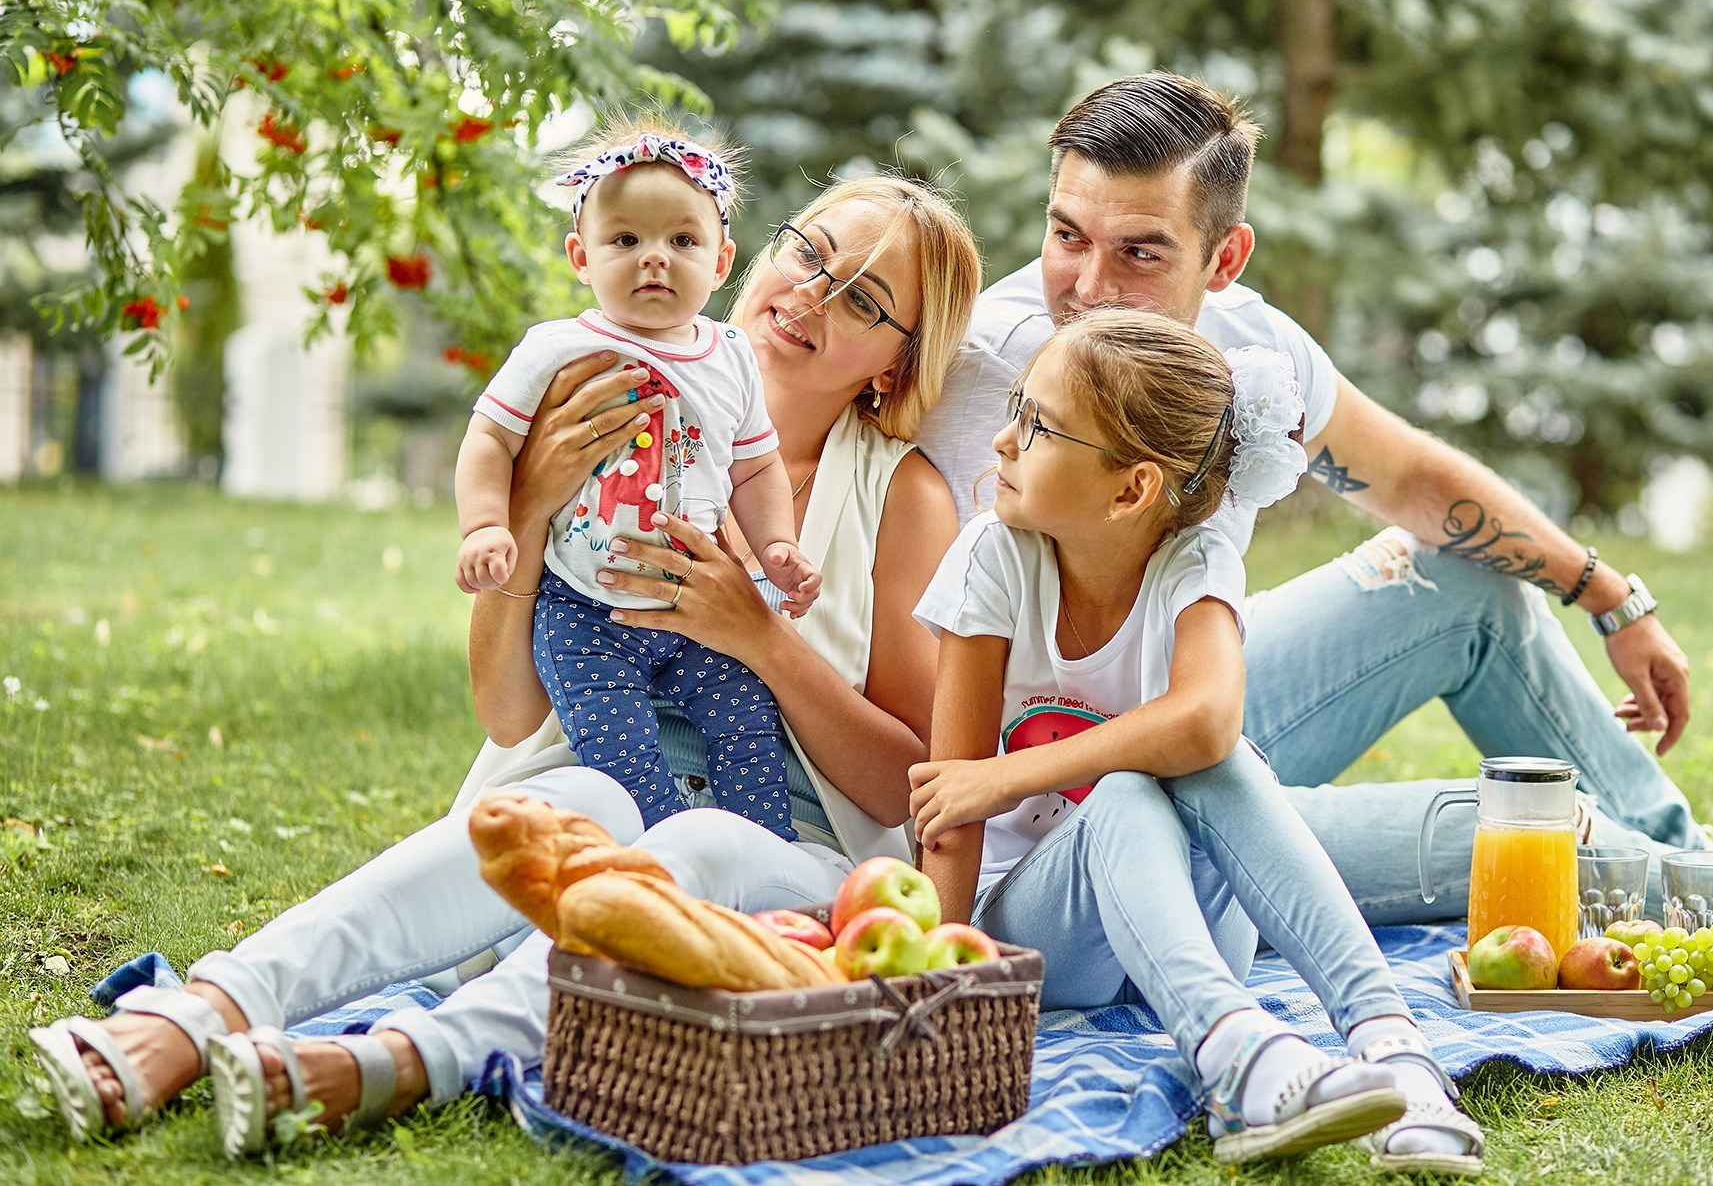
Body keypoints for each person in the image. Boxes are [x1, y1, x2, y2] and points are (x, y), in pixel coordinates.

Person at [916, 70, 1713, 956]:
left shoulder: (1255, 352)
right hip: (1085, 806)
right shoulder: (977, 366)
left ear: (1223, 258)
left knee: (1458, 573)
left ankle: (1702, 869)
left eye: (1140, 250)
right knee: (1524, 839)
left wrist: (1610, 596)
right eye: (1066, 235)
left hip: (1205, 717)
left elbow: (1415, 482)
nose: (1087, 285)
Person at [28, 175, 982, 1154]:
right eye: (809, 251)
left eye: (863, 299)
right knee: (550, 815)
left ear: (893, 366)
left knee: (695, 841)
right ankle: (202, 1009)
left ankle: (409, 1058)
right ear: (760, 252)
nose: (810, 293)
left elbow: (912, 786)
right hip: (603, 781)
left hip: (783, 852)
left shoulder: (900, 499)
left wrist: (761, 638)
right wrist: (527, 512)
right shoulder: (609, 412)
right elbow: (504, 710)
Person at [913, 309, 1482, 1174]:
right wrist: (932, 984)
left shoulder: (1196, 558)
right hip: (1040, 931)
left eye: (1037, 424)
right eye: (1015, 409)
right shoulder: (995, 556)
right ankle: (1236, 1053)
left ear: (1132, 488)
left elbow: (1207, 720)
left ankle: (1393, 1045)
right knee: (1129, 787)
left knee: (1218, 757)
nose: (1002, 441)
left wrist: (1010, 773)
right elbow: (951, 811)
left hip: (1187, 914)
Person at [454, 117, 820, 835]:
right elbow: (490, 438)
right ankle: (653, 860)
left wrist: (776, 545)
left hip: (696, 611)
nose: (655, 259)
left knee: (748, 728)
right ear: (580, 256)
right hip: (586, 611)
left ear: (721, 263)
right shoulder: (559, 347)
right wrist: (487, 524)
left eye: (682, 241)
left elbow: (755, 465)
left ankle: (759, 852)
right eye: (625, 240)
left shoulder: (731, 355)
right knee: (620, 763)